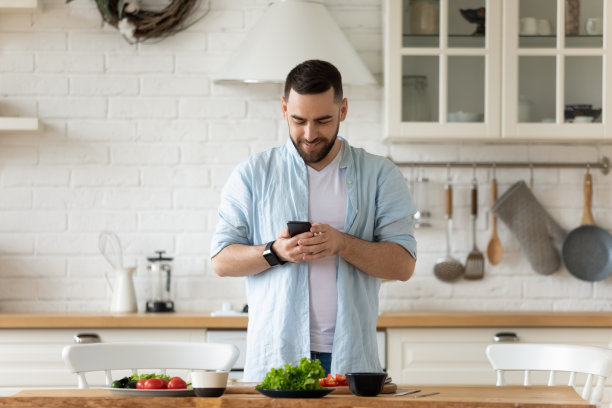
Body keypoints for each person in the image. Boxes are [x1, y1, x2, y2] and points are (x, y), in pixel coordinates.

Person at [210, 59, 417, 381]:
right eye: (298, 120)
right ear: (283, 109)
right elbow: (222, 261)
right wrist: (276, 252)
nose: (309, 134)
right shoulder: (253, 173)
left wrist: (342, 243)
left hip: (351, 359)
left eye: (323, 121)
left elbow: (402, 266)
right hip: (276, 355)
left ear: (343, 110)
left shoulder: (380, 175)